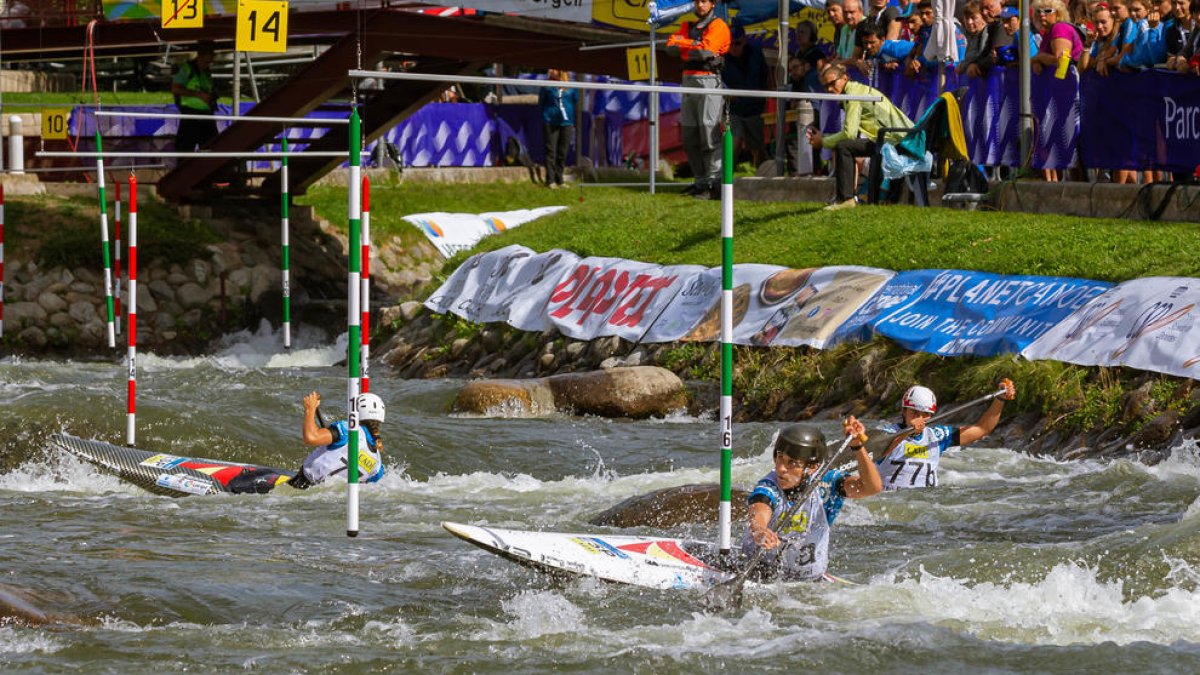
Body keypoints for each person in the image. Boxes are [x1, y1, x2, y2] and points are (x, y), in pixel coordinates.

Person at [743, 418, 882, 581]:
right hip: (761, 573)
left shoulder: (828, 483)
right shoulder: (768, 487)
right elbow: (759, 511)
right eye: (780, 457)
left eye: (792, 463)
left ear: (812, 467)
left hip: (809, 581)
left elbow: (872, 488)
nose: (781, 468)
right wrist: (759, 531)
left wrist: (858, 447)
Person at [867, 380, 1016, 491]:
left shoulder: (936, 436)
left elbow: (982, 429)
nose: (919, 418)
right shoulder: (887, 434)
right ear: (904, 411)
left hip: (926, 504)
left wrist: (1000, 399)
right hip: (891, 502)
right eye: (914, 413)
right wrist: (906, 433)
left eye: (925, 414)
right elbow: (875, 452)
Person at [806, 63, 914, 210]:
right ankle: (846, 197)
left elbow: (849, 134)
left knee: (843, 147)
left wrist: (823, 141)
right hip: (892, 138)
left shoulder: (853, 94)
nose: (830, 89)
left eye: (832, 83)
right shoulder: (854, 91)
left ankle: (847, 199)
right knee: (846, 146)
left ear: (845, 78)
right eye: (826, 87)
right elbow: (852, 133)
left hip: (898, 141)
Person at [666, 0, 731, 200]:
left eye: (703, 1)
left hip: (709, 81)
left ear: (712, 4)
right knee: (689, 136)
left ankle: (714, 185)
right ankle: (700, 182)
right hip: (688, 80)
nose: (699, 5)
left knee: (709, 133)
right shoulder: (687, 25)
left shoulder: (719, 25)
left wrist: (684, 44)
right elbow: (669, 48)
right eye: (696, 1)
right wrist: (693, 44)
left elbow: (705, 51)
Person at [287, 391, 386, 489]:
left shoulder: (349, 430)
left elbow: (311, 438)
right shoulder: (378, 466)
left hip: (302, 485)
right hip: (333, 500)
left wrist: (310, 408)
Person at [722, 25, 769, 169]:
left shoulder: (756, 53)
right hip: (732, 108)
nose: (733, 47)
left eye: (737, 43)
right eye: (730, 44)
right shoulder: (721, 58)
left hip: (754, 106)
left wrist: (765, 98)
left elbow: (765, 76)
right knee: (734, 140)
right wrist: (726, 92)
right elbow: (716, 80)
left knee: (756, 147)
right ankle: (726, 179)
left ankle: (762, 175)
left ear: (744, 41)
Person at [171, 41, 218, 153]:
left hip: (206, 115)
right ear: (200, 55)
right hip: (190, 115)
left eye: (211, 60)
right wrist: (199, 95)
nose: (209, 63)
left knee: (212, 148)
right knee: (185, 149)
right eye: (207, 60)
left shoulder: (206, 72)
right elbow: (175, 89)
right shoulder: (186, 69)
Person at [538, 69, 577, 189]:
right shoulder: (546, 86)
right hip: (550, 122)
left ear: (560, 71)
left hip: (567, 122)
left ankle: (559, 179)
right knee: (551, 152)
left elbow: (575, 101)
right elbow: (541, 102)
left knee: (562, 152)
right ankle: (550, 181)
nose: (550, 71)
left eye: (553, 69)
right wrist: (549, 114)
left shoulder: (571, 87)